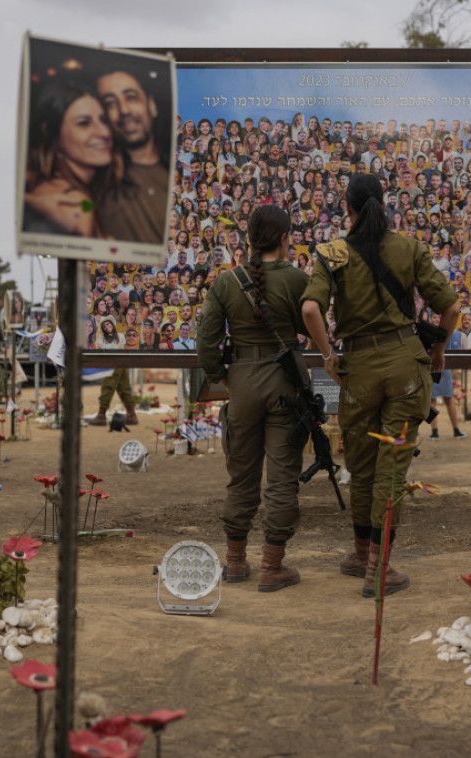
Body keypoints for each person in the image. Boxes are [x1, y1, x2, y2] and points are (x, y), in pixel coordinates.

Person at [301, 173, 460, 598]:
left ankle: (359, 555)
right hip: (406, 365)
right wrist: (439, 351)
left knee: (362, 465)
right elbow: (451, 306)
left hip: (358, 369)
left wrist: (328, 355)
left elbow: (312, 308)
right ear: (383, 203)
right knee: (392, 467)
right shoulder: (408, 248)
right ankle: (378, 568)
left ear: (347, 208)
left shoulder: (332, 252)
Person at [197, 205, 309, 592]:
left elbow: (205, 341)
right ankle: (272, 566)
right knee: (282, 479)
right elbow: (311, 321)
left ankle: (235, 563)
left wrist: (221, 377)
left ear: (248, 240)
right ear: (284, 238)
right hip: (286, 383)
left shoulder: (227, 282)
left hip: (241, 380)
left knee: (240, 475)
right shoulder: (297, 279)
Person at [23, 79, 115, 237]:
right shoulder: (73, 203)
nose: (104, 132)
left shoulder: (83, 197)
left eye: (103, 120)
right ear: (52, 133)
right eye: (84, 123)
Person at [96, 68, 172, 243]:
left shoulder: (180, 171)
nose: (123, 110)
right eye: (110, 103)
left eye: (131, 97)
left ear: (151, 106)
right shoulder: (99, 183)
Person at [428, 315, 465, 440]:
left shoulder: (446, 331)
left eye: (439, 317)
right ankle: (434, 431)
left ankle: (456, 430)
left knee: (449, 399)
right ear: (431, 319)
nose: (437, 319)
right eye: (434, 317)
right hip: (431, 368)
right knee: (432, 401)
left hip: (444, 368)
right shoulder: (427, 331)